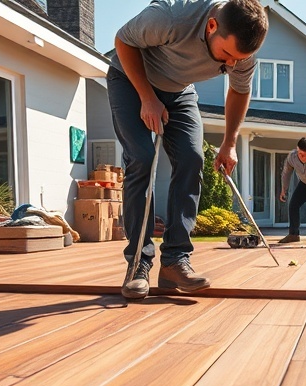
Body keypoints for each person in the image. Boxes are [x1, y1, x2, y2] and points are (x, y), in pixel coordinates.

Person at [109, 0, 268, 298]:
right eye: (228, 55)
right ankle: (138, 264)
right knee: (142, 158)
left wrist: (229, 143)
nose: (232, 64)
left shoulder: (243, 52)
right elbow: (123, 40)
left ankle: (174, 262)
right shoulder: (171, 17)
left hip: (180, 91)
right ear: (211, 27)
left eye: (240, 59)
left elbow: (239, 89)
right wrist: (147, 97)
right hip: (131, 81)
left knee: (193, 159)